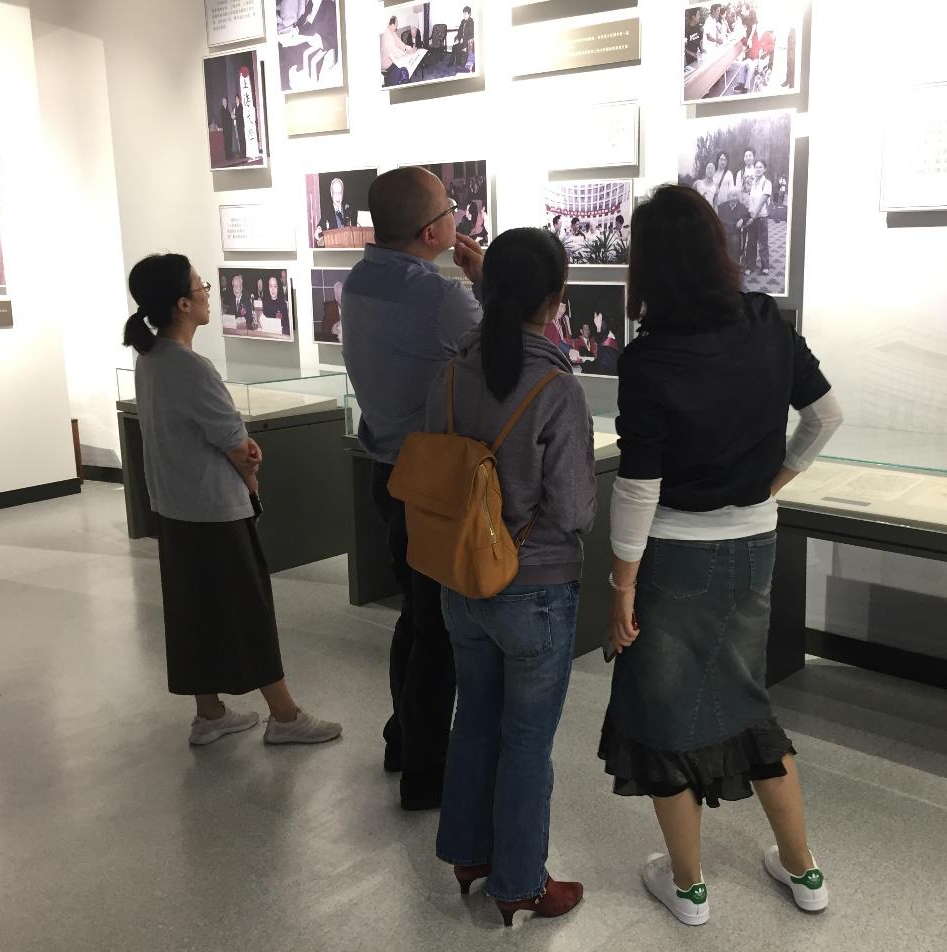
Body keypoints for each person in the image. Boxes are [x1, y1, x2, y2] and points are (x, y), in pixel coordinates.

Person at [598, 185, 842, 928]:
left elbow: (638, 487)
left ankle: (689, 888)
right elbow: (825, 415)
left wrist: (620, 588)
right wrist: (775, 481)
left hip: (674, 554)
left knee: (662, 714)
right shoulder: (767, 319)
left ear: (647, 266)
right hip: (755, 544)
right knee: (745, 699)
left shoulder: (648, 359)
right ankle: (803, 870)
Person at [423, 227, 595, 926]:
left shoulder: (449, 374)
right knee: (526, 741)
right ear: (556, 299)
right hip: (535, 588)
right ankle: (520, 882)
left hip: (459, 578)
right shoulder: (556, 387)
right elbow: (575, 509)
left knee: (473, 719)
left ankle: (469, 852)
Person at [121, 254, 342, 747]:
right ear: (183, 304)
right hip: (214, 510)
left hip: (175, 508)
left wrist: (241, 449)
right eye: (201, 286)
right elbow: (236, 445)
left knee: (194, 612)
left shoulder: (150, 358)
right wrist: (250, 468)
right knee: (249, 611)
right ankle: (284, 716)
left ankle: (209, 711)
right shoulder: (191, 367)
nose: (207, 292)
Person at [341, 167, 484, 810]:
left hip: (387, 471)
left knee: (417, 615)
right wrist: (485, 285)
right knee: (439, 631)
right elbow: (505, 356)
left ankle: (404, 738)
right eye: (451, 208)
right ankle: (427, 772)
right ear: (432, 232)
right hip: (431, 483)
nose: (458, 216)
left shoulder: (359, 280)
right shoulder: (441, 297)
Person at [745, 160, 774, 277]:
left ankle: (765, 266)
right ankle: (750, 266)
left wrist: (753, 216)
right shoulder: (752, 183)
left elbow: (762, 201)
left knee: (763, 243)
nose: (758, 169)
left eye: (760, 167)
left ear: (764, 169)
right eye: (756, 167)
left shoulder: (767, 183)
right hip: (752, 216)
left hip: (761, 217)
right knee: (751, 243)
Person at [315, 176, 356, 247]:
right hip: (334, 246)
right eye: (335, 193)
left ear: (343, 192)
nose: (337, 197)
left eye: (340, 193)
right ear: (331, 193)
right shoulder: (327, 210)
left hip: (348, 246)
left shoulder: (348, 208)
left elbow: (355, 226)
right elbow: (321, 225)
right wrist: (319, 229)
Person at [716, 188, 750, 265]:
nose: (734, 198)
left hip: (735, 233)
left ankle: (734, 264)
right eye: (732, 196)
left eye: (736, 196)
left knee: (735, 241)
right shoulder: (721, 207)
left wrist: (742, 220)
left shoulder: (742, 207)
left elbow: (747, 217)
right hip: (724, 232)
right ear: (728, 197)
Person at [381, 16, 413, 86]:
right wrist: (404, 54)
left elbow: (399, 43)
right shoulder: (387, 34)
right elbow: (393, 50)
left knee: (407, 64)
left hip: (393, 58)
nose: (397, 27)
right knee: (403, 69)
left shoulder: (392, 32)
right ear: (392, 24)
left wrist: (408, 48)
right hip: (387, 62)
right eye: (396, 25)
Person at [232, 96, 245, 161]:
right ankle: (242, 153)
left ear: (239, 99)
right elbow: (235, 115)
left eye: (237, 99)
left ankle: (244, 153)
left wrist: (235, 116)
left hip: (241, 125)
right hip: (238, 125)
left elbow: (240, 115)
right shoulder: (235, 107)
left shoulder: (240, 106)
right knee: (240, 140)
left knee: (242, 139)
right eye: (235, 99)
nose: (236, 100)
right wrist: (233, 116)